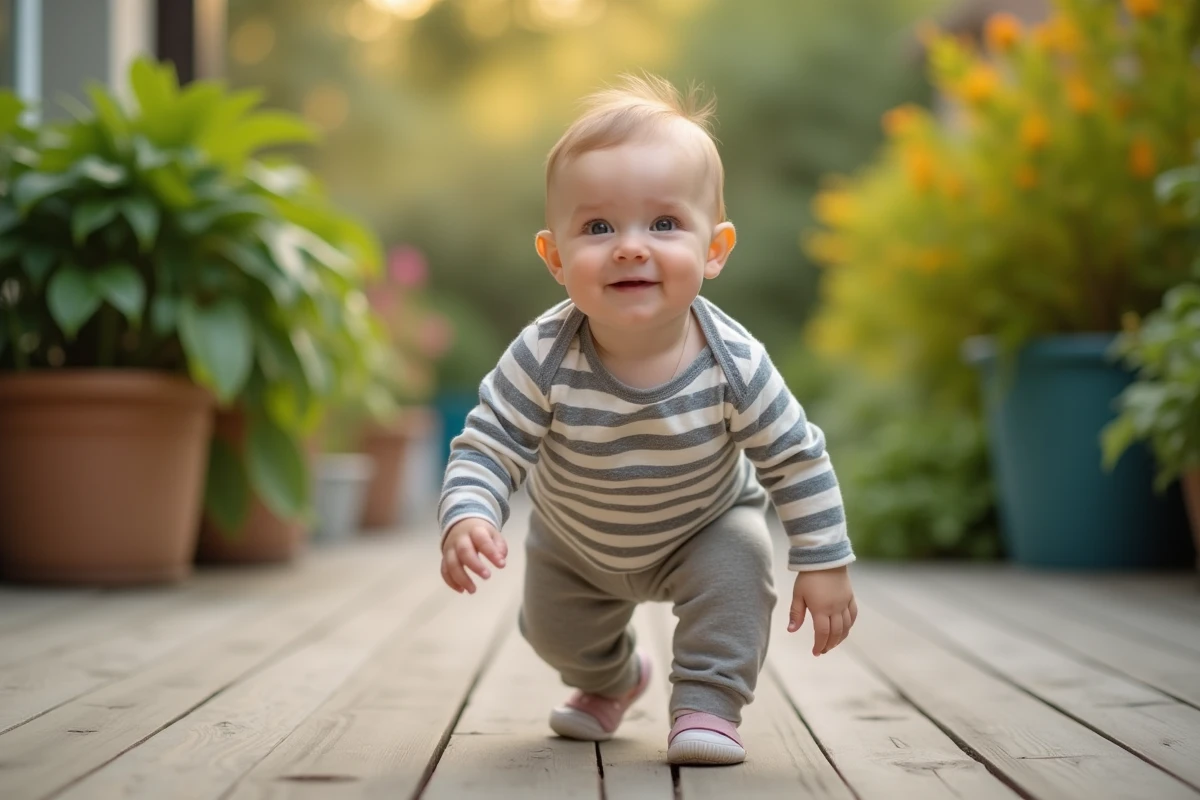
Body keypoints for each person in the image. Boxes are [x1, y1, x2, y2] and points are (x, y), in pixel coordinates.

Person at [437, 73, 857, 766]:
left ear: (715, 248)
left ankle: (706, 705)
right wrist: (469, 512)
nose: (631, 246)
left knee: (741, 564)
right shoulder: (544, 354)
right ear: (556, 257)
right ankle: (613, 680)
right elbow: (491, 441)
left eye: (663, 224)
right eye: (598, 227)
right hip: (575, 541)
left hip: (704, 528)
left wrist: (824, 559)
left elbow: (794, 456)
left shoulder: (735, 364)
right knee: (552, 631)